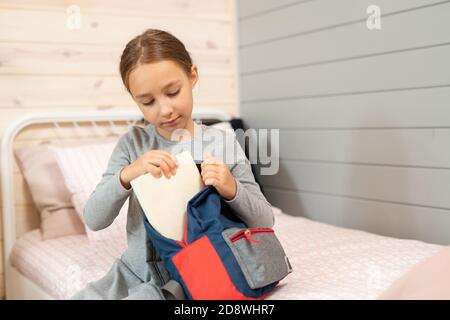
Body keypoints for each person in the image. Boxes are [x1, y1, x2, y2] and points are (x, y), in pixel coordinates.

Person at [71, 29, 274, 300]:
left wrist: (231, 188)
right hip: (133, 271)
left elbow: (265, 220)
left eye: (173, 92)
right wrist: (128, 175)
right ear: (135, 99)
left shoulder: (222, 143)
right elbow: (94, 220)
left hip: (194, 276)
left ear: (192, 76)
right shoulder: (133, 144)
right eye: (148, 101)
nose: (165, 109)